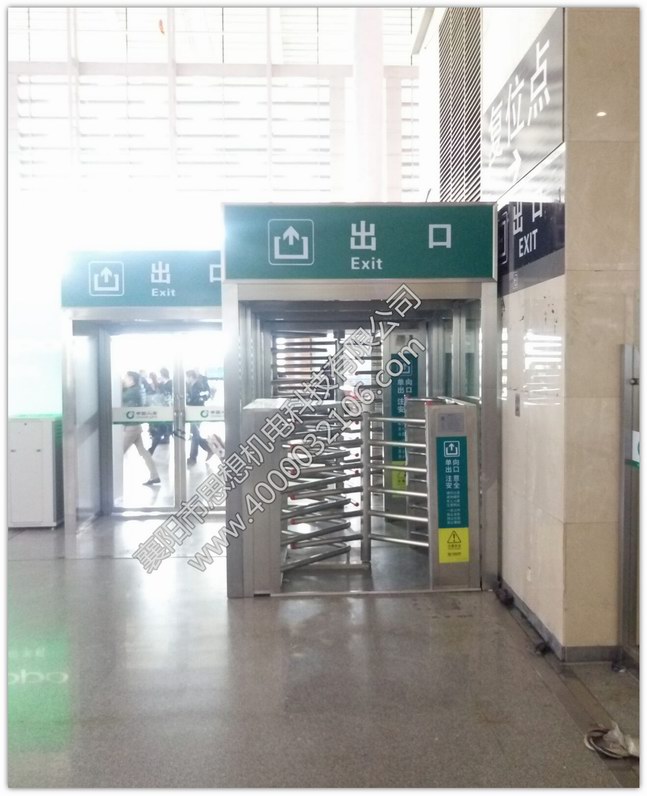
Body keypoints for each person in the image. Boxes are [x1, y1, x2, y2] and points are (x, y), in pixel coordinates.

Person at [122, 371, 161, 486]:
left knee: (118, 452)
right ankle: (155, 476)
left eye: (126, 378)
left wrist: (120, 385)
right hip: (135, 425)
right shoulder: (139, 388)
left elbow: (119, 397)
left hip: (131, 427)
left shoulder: (133, 391)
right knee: (143, 452)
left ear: (132, 379)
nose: (124, 380)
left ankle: (110, 478)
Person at [186, 369, 213, 466]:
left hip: (197, 413)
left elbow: (196, 399)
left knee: (195, 435)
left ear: (191, 377)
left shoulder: (198, 386)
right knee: (195, 434)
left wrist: (188, 401)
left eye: (187, 377)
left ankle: (193, 457)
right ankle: (209, 448)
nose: (186, 379)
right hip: (195, 412)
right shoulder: (193, 385)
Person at [148, 367, 173, 455]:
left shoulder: (169, 383)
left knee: (162, 428)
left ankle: (151, 450)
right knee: (162, 428)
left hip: (167, 409)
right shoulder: (164, 383)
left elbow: (166, 395)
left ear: (163, 375)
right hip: (164, 409)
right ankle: (152, 449)